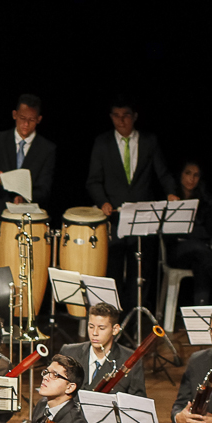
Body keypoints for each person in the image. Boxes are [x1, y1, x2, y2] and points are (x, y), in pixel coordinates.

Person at [85, 96, 179, 309]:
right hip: (115, 218)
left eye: (125, 116)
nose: (121, 121)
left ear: (134, 116)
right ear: (111, 117)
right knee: (114, 268)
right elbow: (93, 181)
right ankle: (114, 314)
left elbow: (162, 173)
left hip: (142, 216)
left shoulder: (149, 141)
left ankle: (136, 313)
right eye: (116, 116)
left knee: (141, 270)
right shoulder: (103, 142)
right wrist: (103, 202)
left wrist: (171, 193)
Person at [59, 302, 146, 423]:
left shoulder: (131, 360)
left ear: (115, 329)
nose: (94, 333)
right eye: (91, 326)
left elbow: (138, 403)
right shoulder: (69, 352)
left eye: (101, 328)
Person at [0, 94, 57, 238]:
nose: (26, 124)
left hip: (28, 222)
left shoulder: (47, 149)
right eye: (23, 118)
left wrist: (23, 198)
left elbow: (44, 189)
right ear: (14, 115)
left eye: (31, 120)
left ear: (39, 120)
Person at [173, 161, 212, 304]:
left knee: (201, 263)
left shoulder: (204, 200)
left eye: (196, 175)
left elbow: (207, 231)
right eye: (188, 173)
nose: (191, 179)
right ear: (180, 175)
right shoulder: (173, 198)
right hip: (177, 251)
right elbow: (172, 233)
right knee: (200, 249)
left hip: (201, 253)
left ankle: (200, 318)